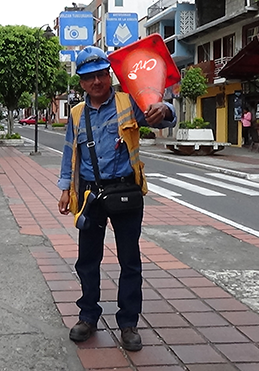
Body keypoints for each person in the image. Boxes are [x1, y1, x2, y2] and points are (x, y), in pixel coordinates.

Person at [56, 46, 177, 351]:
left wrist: (164, 110)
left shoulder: (128, 102)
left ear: (109, 75)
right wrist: (64, 188)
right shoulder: (76, 114)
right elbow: (71, 152)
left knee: (129, 260)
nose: (96, 81)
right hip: (91, 195)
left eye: (100, 74)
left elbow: (161, 117)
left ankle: (128, 323)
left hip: (126, 193)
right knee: (87, 260)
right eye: (88, 77)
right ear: (81, 83)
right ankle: (87, 316)